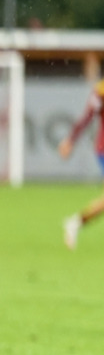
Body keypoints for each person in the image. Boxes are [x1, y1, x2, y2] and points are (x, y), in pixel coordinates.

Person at [58, 78, 104, 249]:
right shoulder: (101, 90)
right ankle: (75, 222)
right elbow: (87, 117)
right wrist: (70, 140)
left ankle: (75, 223)